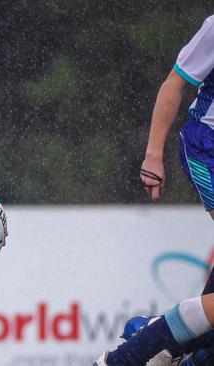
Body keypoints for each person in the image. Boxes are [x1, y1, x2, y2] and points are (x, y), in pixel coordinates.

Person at [94, 14, 214, 366]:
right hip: (207, 147)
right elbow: (174, 84)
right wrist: (153, 156)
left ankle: (159, 337)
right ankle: (124, 359)